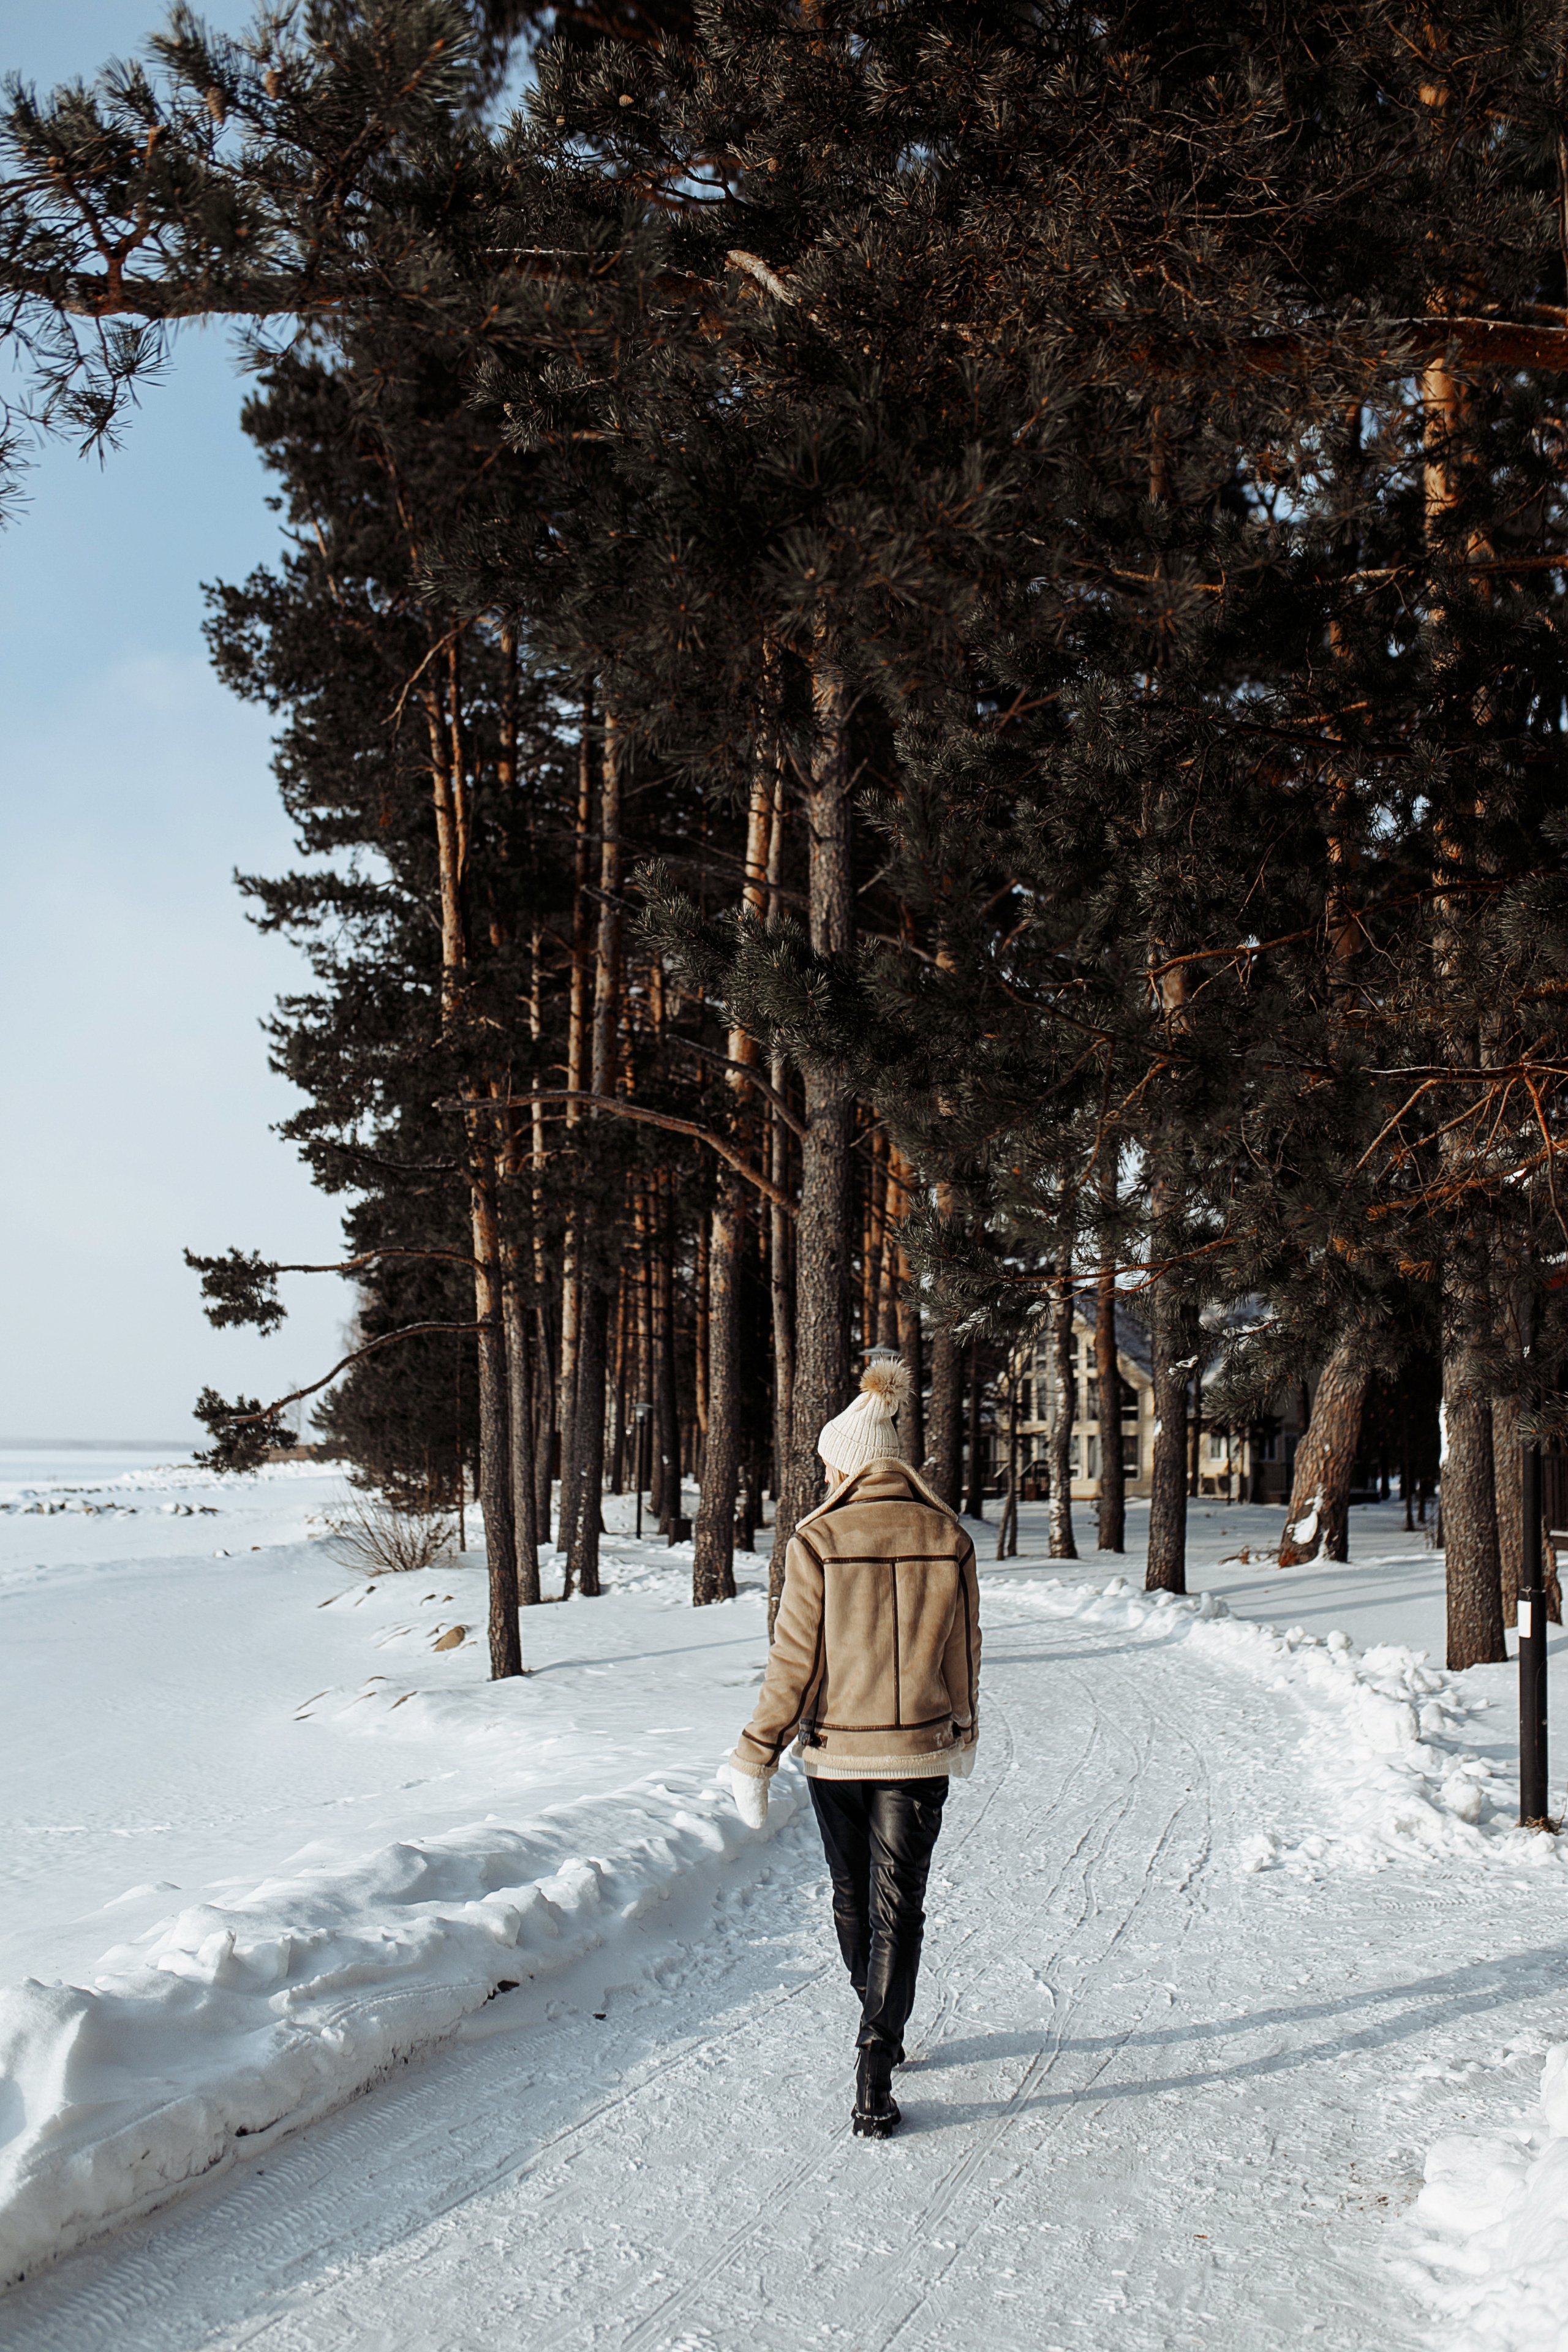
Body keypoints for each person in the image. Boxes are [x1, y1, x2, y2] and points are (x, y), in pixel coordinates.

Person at [723, 1359, 982, 2139]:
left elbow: (793, 1662)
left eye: (830, 1464)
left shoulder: (817, 1539)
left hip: (837, 1753)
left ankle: (874, 2013)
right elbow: (962, 1652)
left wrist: (758, 1750)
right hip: (918, 1753)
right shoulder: (948, 1536)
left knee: (850, 1894)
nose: (825, 1476)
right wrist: (963, 1726)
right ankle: (878, 2049)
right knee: (900, 1905)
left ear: (850, 1464)